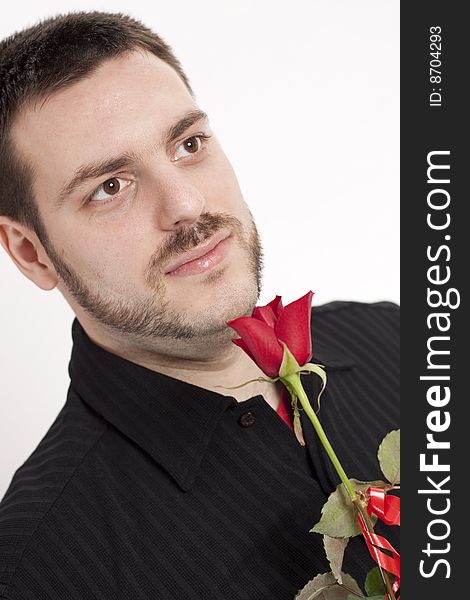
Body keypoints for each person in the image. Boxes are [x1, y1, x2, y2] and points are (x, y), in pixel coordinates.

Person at [0, 12, 399, 600]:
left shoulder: (403, 339)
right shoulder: (38, 570)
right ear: (33, 254)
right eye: (111, 186)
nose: (187, 204)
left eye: (188, 145)